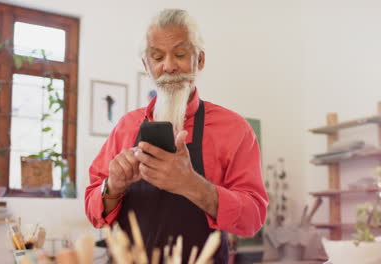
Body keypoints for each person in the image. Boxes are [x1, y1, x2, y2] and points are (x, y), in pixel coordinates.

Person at [85, 8, 268, 264]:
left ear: (200, 59)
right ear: (146, 66)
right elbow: (93, 212)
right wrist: (113, 186)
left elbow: (253, 219)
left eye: (180, 54)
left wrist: (193, 186)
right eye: (157, 57)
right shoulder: (126, 126)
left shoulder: (235, 129)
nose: (169, 66)